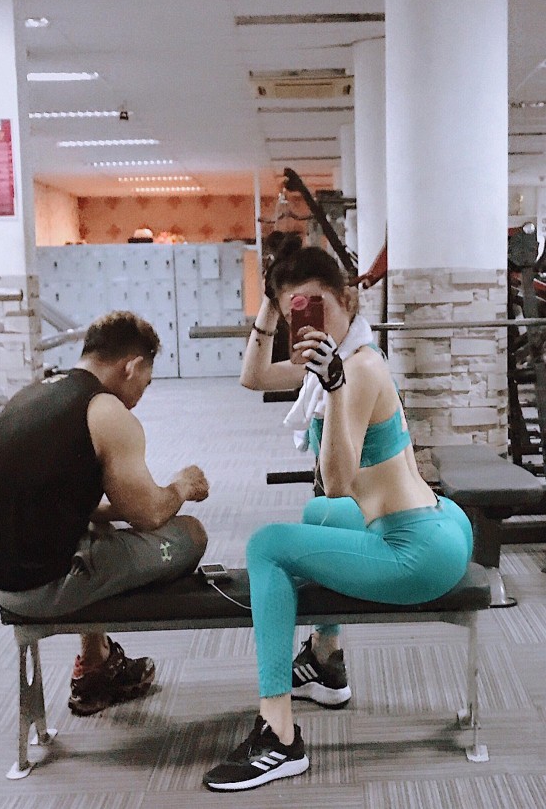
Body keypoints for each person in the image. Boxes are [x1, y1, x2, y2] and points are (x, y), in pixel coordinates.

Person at [203, 236, 473, 791]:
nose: (308, 319)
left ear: (346, 299)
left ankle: (278, 736)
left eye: (316, 305)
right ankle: (326, 662)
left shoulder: (355, 370)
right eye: (295, 310)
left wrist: (333, 388)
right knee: (317, 514)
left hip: (417, 551)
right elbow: (254, 377)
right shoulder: (344, 358)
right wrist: (270, 307)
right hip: (441, 524)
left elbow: (339, 481)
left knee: (267, 546)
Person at [0, 310, 209, 716]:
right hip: (37, 588)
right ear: (132, 366)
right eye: (146, 382)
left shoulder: (35, 393)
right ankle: (98, 661)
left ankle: (97, 664)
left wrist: (118, 513)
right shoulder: (107, 411)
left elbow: (62, 501)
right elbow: (148, 515)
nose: (142, 393)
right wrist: (183, 486)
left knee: (94, 534)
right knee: (190, 533)